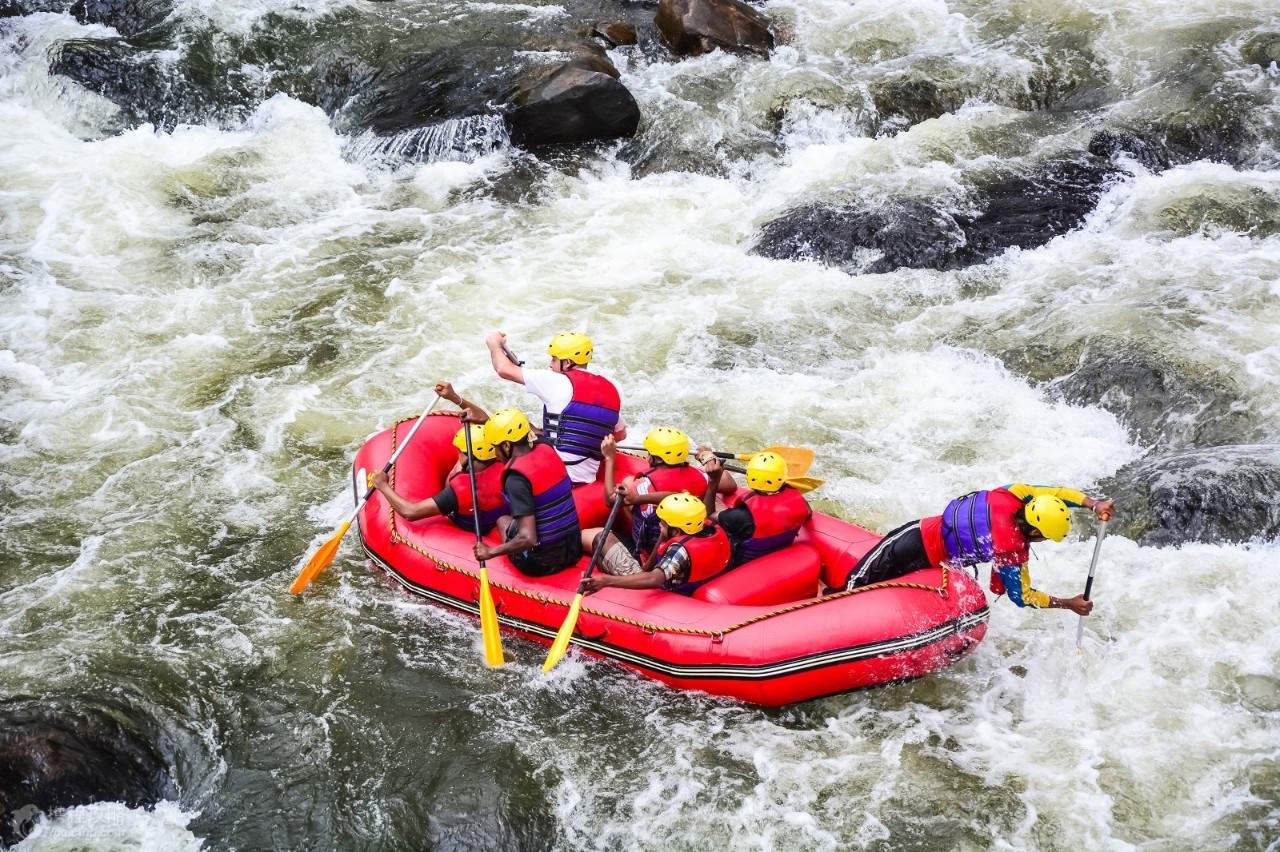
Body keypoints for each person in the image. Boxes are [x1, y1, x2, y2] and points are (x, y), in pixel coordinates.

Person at [838, 484, 1116, 616]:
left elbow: (1054, 493)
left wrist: (1093, 503)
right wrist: (1067, 603)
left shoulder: (1011, 493)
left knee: (866, 587)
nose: (1042, 541)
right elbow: (1024, 597)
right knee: (850, 589)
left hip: (922, 547)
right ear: (1033, 532)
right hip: (916, 543)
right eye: (1044, 537)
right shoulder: (1011, 553)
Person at [485, 330, 626, 485]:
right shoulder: (610, 391)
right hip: (586, 481)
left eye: (554, 359)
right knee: (535, 430)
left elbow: (504, 370)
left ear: (567, 363)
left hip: (555, 477)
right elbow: (620, 434)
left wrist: (495, 346)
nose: (550, 364)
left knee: (515, 424)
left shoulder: (557, 381)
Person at [370, 383, 508, 534]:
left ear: (465, 454)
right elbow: (487, 420)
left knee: (457, 474)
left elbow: (410, 512)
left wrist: (383, 485)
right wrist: (455, 399)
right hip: (497, 517)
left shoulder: (458, 490)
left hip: (471, 528)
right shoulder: (507, 465)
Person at [473, 408, 583, 576]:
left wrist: (490, 552)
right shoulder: (546, 445)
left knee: (503, 521)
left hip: (541, 563)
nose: (495, 453)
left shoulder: (515, 479)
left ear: (507, 445)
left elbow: (528, 538)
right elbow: (526, 425)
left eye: (495, 447)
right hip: (574, 551)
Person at [601, 428, 737, 559]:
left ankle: (636, 550)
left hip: (656, 552)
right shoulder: (701, 475)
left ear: (657, 459)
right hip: (690, 540)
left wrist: (610, 458)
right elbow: (730, 484)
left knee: (628, 483)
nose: (647, 457)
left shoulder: (643, 486)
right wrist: (706, 458)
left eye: (650, 453)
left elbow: (610, 500)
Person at [582, 492, 733, 595]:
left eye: (662, 524)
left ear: (676, 532)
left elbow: (654, 579)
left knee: (601, 538)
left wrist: (606, 581)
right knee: (603, 552)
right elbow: (673, 497)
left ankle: (609, 586)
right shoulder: (713, 529)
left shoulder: (679, 551)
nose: (660, 526)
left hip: (662, 593)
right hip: (694, 581)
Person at [701, 450, 812, 567]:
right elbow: (808, 513)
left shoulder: (742, 517)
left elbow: (710, 513)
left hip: (744, 565)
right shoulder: (800, 505)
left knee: (711, 506)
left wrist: (714, 480)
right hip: (776, 552)